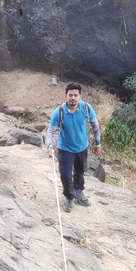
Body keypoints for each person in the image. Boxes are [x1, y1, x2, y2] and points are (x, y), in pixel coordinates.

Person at [46, 82, 101, 213]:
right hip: (65, 148)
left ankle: (78, 191)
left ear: (80, 97)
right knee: (65, 175)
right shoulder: (59, 111)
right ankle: (69, 197)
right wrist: (49, 146)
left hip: (82, 147)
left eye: (75, 95)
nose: (73, 98)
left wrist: (98, 143)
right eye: (70, 95)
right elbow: (50, 131)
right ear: (66, 96)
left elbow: (95, 126)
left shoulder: (87, 108)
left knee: (80, 172)